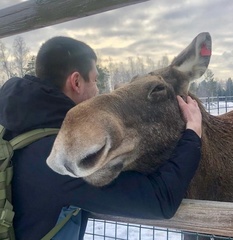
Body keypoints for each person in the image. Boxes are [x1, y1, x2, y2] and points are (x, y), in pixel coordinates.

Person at [0, 36, 202, 240]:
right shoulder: (66, 151)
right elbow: (160, 199)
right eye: (95, 80)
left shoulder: (9, 128)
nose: (98, 90)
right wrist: (192, 133)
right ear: (76, 82)